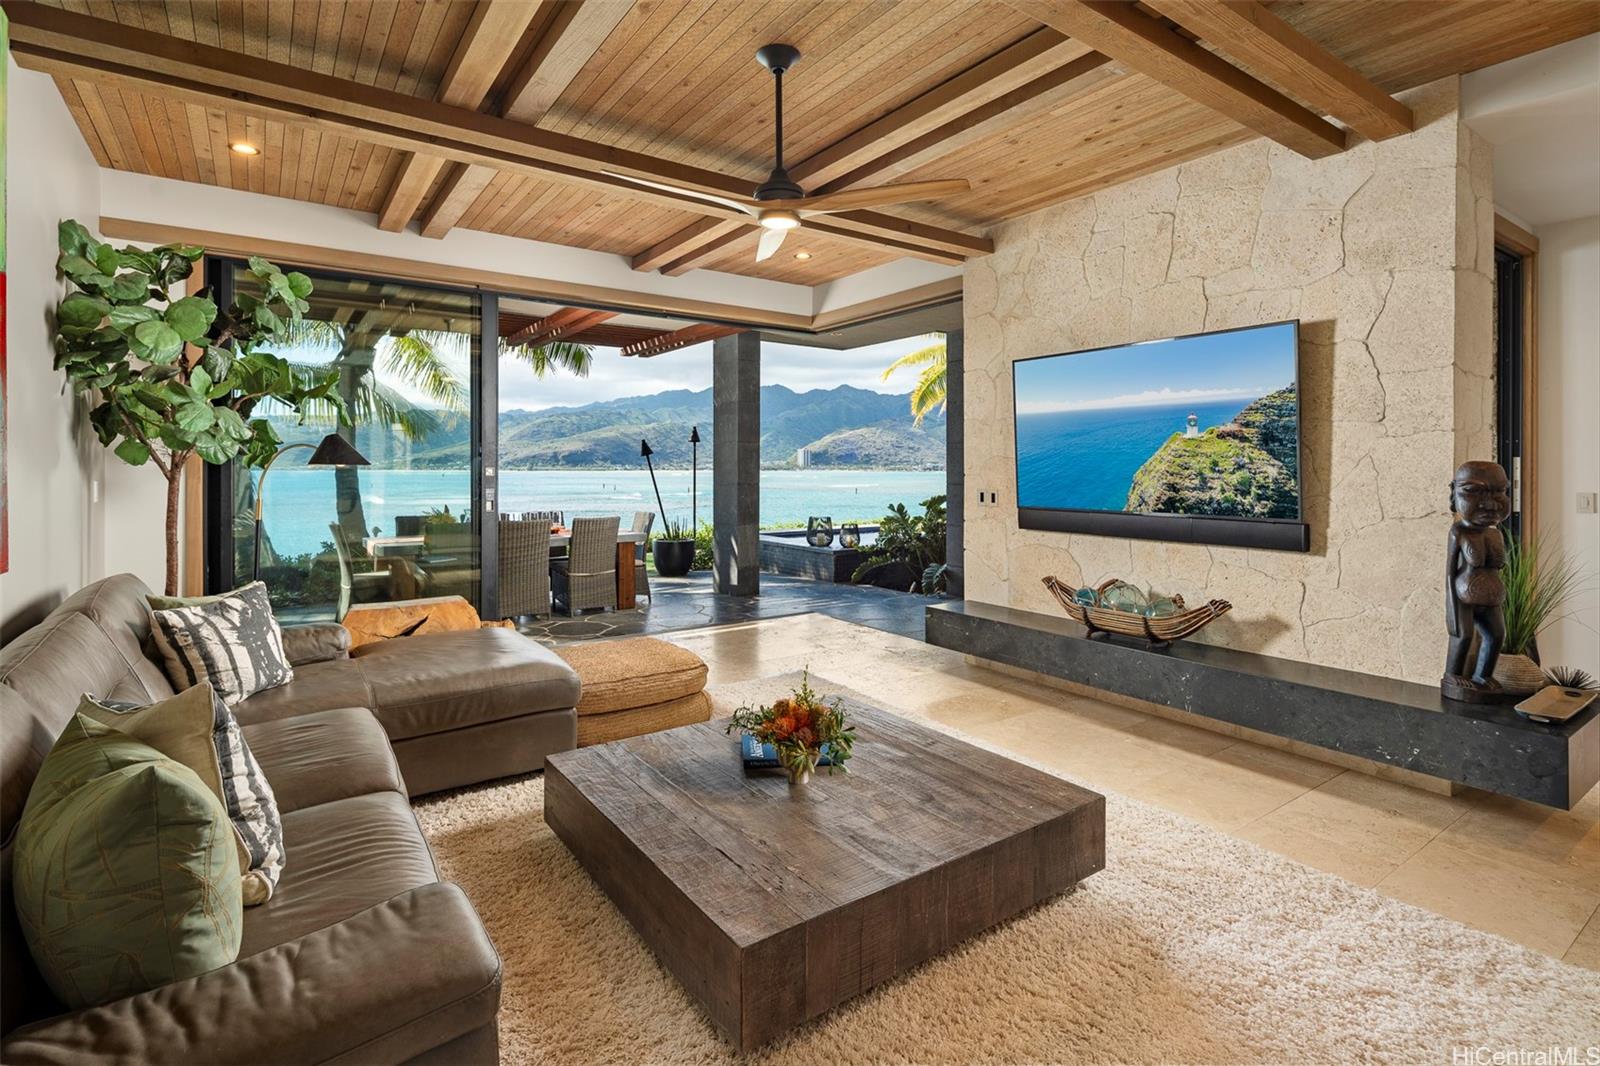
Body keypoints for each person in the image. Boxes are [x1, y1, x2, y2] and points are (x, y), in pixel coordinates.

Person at [1442, 460, 1512, 701]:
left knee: (1496, 635)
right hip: (1463, 596)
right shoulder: (1458, 532)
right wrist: (1451, 606)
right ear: (1455, 493)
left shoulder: (1495, 533)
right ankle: (1452, 675)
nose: (1490, 503)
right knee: (1464, 636)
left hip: (1491, 596)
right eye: (1473, 491)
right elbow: (1450, 572)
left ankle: (1483, 675)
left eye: (1499, 491)